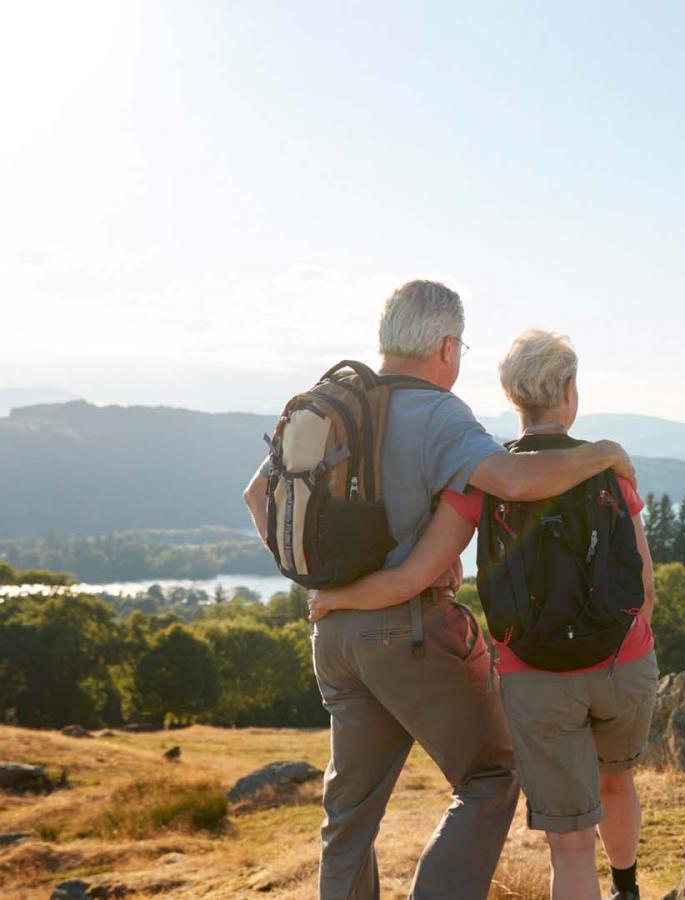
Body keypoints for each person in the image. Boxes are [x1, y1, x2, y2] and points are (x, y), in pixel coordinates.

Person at [242, 282, 636, 900]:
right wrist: (604, 455)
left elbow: (258, 496)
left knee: (348, 815)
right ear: (448, 346)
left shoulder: (331, 403)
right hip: (411, 630)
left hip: (333, 635)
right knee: (491, 774)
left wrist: (325, 586)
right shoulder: (438, 413)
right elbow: (512, 478)